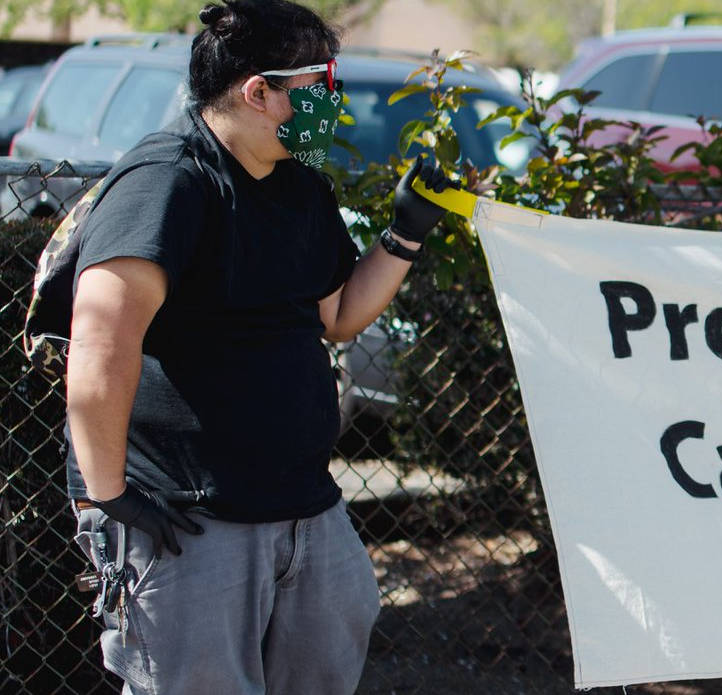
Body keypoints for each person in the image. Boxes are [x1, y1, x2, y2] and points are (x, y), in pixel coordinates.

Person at [62, 1, 454, 692]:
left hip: (305, 508)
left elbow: (335, 317)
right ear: (258, 91)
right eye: (320, 85)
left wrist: (405, 234)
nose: (333, 101)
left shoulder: (301, 188)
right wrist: (110, 496)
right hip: (187, 518)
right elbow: (100, 342)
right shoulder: (166, 182)